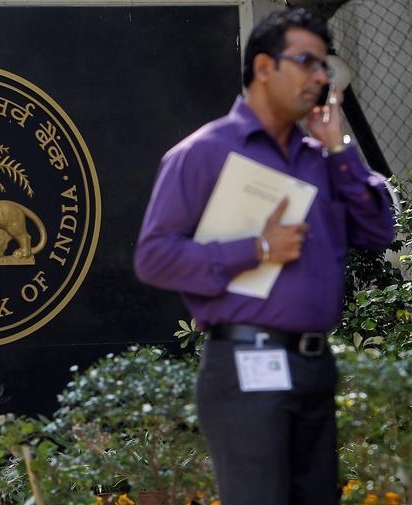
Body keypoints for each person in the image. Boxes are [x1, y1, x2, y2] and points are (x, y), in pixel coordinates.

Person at [133, 8, 394, 505]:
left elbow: (380, 232)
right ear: (264, 68)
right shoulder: (203, 153)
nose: (320, 77)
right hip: (246, 362)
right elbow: (154, 257)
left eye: (324, 66)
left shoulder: (322, 158)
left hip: (314, 365)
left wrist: (341, 149)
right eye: (306, 62)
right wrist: (258, 249)